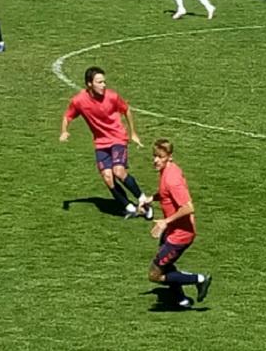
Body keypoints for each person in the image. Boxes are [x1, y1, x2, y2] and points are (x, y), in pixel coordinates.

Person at [60, 66, 153, 219]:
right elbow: (67, 116)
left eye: (104, 81)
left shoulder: (112, 97)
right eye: (99, 82)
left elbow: (126, 110)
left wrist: (133, 133)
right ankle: (130, 208)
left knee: (118, 171)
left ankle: (143, 200)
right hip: (101, 143)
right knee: (108, 177)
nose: (103, 85)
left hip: (117, 138)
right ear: (89, 84)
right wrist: (64, 131)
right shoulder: (79, 101)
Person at [138, 139, 212, 309]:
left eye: (160, 157)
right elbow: (165, 195)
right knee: (165, 263)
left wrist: (165, 221)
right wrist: (152, 198)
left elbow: (188, 207)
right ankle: (182, 299)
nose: (155, 160)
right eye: (154, 156)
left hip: (180, 234)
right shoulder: (167, 171)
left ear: (169, 157)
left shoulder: (172, 179)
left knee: (155, 274)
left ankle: (199, 279)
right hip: (173, 230)